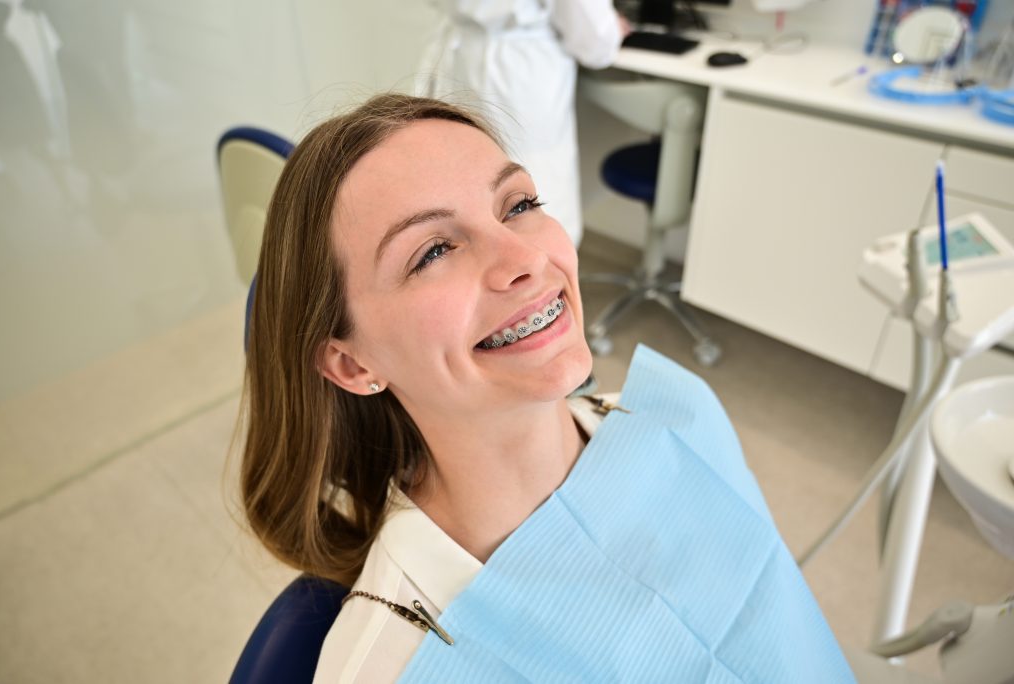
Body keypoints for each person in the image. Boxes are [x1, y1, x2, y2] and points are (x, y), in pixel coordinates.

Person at [239, 93, 855, 682]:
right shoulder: (390, 663)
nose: (525, 258)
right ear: (351, 365)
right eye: (432, 252)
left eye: (518, 205)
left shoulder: (681, 420)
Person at [415, 0, 630, 248]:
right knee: (532, 200)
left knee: (466, 192)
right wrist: (611, 28)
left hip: (459, 57)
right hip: (519, 74)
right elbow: (595, 43)